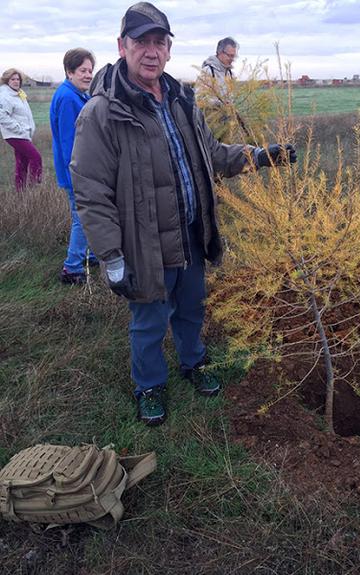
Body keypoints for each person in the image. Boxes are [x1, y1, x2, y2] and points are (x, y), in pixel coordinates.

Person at [70, 2, 296, 427]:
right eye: (141, 42)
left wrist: (260, 157)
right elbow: (91, 192)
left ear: (169, 50)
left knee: (192, 307)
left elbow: (212, 155)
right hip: (143, 242)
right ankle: (150, 385)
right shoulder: (101, 112)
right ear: (122, 46)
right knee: (150, 319)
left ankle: (194, 362)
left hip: (192, 231)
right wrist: (113, 258)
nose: (151, 51)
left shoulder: (181, 99)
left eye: (160, 42)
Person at [50, 48, 97, 285]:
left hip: (79, 170)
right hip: (76, 172)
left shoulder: (76, 94)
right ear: (70, 72)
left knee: (89, 214)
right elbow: (71, 142)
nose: (88, 75)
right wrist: (79, 173)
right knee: (82, 217)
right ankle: (72, 268)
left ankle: (93, 254)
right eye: (82, 71)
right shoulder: (68, 98)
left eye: (90, 70)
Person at [0, 68, 42, 192]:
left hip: (23, 134)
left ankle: (21, 194)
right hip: (15, 135)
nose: (16, 81)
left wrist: (29, 129)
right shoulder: (5, 96)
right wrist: (18, 129)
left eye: (18, 79)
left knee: (22, 163)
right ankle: (33, 188)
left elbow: (26, 114)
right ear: (7, 81)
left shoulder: (19, 94)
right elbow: (2, 116)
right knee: (36, 157)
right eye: (12, 79)